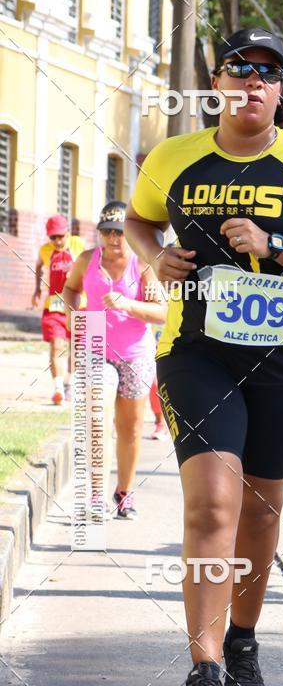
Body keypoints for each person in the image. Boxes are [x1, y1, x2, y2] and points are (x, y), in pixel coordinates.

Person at [124, 28, 283, 686]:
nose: (252, 83)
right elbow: (140, 223)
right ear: (218, 84)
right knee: (211, 507)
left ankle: (244, 637)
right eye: (239, 70)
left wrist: (275, 245)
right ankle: (203, 670)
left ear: (281, 90)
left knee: (259, 512)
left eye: (267, 73)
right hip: (196, 354)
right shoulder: (174, 158)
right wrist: (155, 259)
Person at [63, 201, 166, 518]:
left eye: (118, 233)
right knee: (97, 419)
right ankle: (96, 497)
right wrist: (73, 314)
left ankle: (124, 493)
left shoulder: (143, 266)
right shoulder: (86, 261)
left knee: (131, 429)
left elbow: (162, 312)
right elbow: (70, 289)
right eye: (106, 232)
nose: (111, 239)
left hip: (135, 354)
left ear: (129, 235)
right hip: (95, 347)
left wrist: (126, 304)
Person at [32, 214, 85, 404]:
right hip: (54, 305)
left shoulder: (79, 245)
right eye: (53, 237)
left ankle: (69, 383)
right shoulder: (45, 250)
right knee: (56, 344)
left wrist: (79, 272)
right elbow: (38, 266)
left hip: (80, 304)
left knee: (77, 348)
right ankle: (58, 389)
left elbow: (93, 265)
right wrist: (37, 288)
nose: (57, 241)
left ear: (68, 232)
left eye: (60, 236)